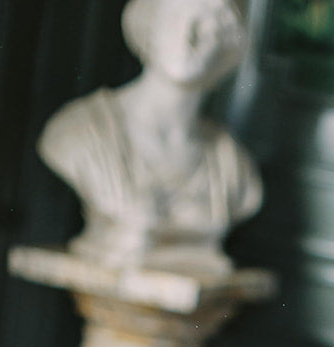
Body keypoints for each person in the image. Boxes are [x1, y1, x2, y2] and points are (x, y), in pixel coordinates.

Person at [38, 0, 261, 273]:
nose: (187, 35)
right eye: (174, 17)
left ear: (228, 41)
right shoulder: (78, 132)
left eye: (206, 23)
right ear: (150, 26)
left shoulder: (231, 162)